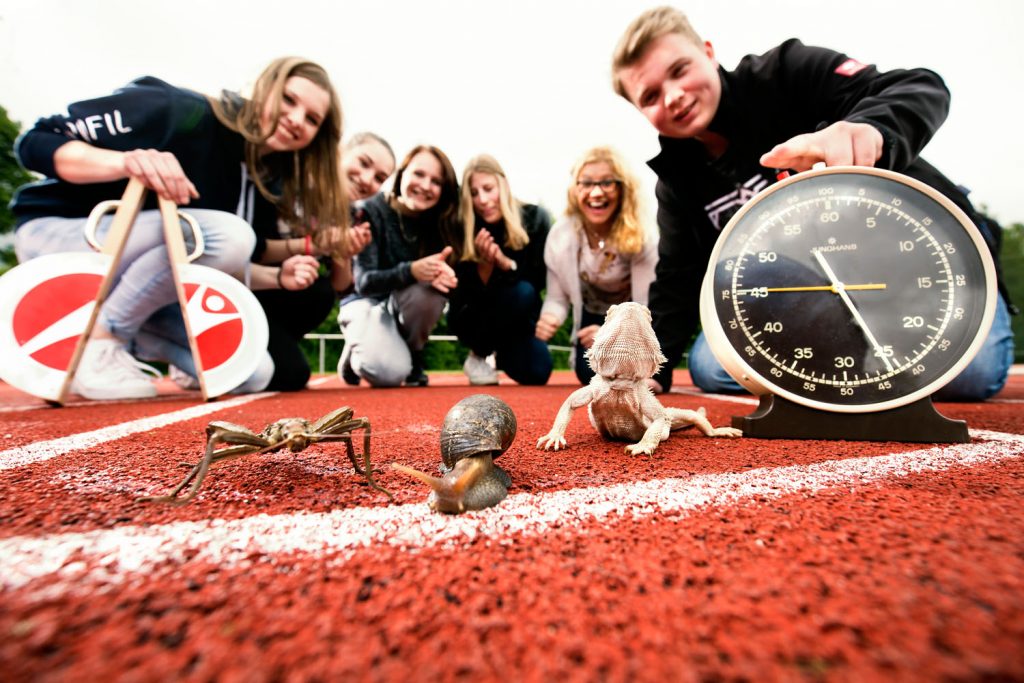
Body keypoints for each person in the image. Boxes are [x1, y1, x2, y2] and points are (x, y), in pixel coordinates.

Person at [610, 6, 1016, 400]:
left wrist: (870, 129)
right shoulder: (676, 179)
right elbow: (678, 276)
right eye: (650, 96)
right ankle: (852, 360)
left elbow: (919, 86)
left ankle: (862, 361)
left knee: (971, 376)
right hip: (815, 294)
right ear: (640, 111)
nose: (674, 96)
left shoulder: (787, 72)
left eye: (680, 70)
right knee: (711, 366)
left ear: (709, 53)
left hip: (912, 266)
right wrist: (652, 367)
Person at [11, 56, 351, 400]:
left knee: (251, 372)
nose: (296, 119)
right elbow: (35, 141)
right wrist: (125, 162)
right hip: (64, 235)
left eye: (312, 119)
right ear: (265, 88)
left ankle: (131, 334)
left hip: (137, 278)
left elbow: (218, 259)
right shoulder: (179, 110)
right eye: (289, 99)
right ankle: (102, 341)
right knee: (231, 236)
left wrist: (279, 276)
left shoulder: (264, 179)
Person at [245, 131, 396, 391]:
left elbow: (340, 286)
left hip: (280, 300)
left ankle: (270, 347)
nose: (367, 179)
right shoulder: (291, 183)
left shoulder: (349, 214)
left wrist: (343, 251)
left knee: (320, 292)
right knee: (292, 374)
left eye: (379, 178)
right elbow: (251, 249)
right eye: (363, 163)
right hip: (248, 286)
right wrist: (311, 245)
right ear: (340, 153)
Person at [337, 144, 461, 387]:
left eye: (436, 181)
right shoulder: (368, 210)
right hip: (363, 302)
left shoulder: (439, 222)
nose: (425, 185)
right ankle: (358, 348)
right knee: (387, 374)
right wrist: (412, 270)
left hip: (399, 306)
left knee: (430, 296)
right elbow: (363, 283)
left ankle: (412, 354)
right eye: (419, 174)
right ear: (402, 173)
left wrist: (444, 278)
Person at [536, 146, 659, 385]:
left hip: (631, 317)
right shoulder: (561, 235)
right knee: (589, 373)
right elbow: (556, 299)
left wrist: (612, 335)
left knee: (627, 374)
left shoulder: (642, 233)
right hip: (590, 313)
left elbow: (646, 307)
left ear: (622, 188)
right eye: (586, 183)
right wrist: (550, 317)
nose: (595, 192)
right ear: (575, 189)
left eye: (606, 183)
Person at [446, 154, 553, 386]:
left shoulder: (535, 218)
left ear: (503, 184)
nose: (482, 200)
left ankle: (500, 355)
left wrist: (506, 265)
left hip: (519, 320)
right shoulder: (461, 225)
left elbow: (538, 283)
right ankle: (478, 354)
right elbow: (459, 299)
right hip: (475, 318)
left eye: (488, 189)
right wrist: (484, 269)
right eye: (474, 193)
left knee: (538, 371)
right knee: (521, 292)